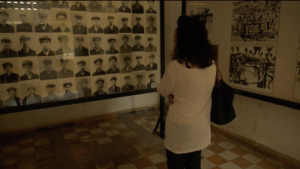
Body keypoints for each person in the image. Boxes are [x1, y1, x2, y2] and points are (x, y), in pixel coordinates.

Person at [157, 16, 216, 169]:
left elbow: (163, 90)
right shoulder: (211, 65)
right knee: (194, 165)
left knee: (176, 165)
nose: (174, 35)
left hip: (180, 130)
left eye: (177, 32)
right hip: (199, 127)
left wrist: (172, 93)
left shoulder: (175, 67)